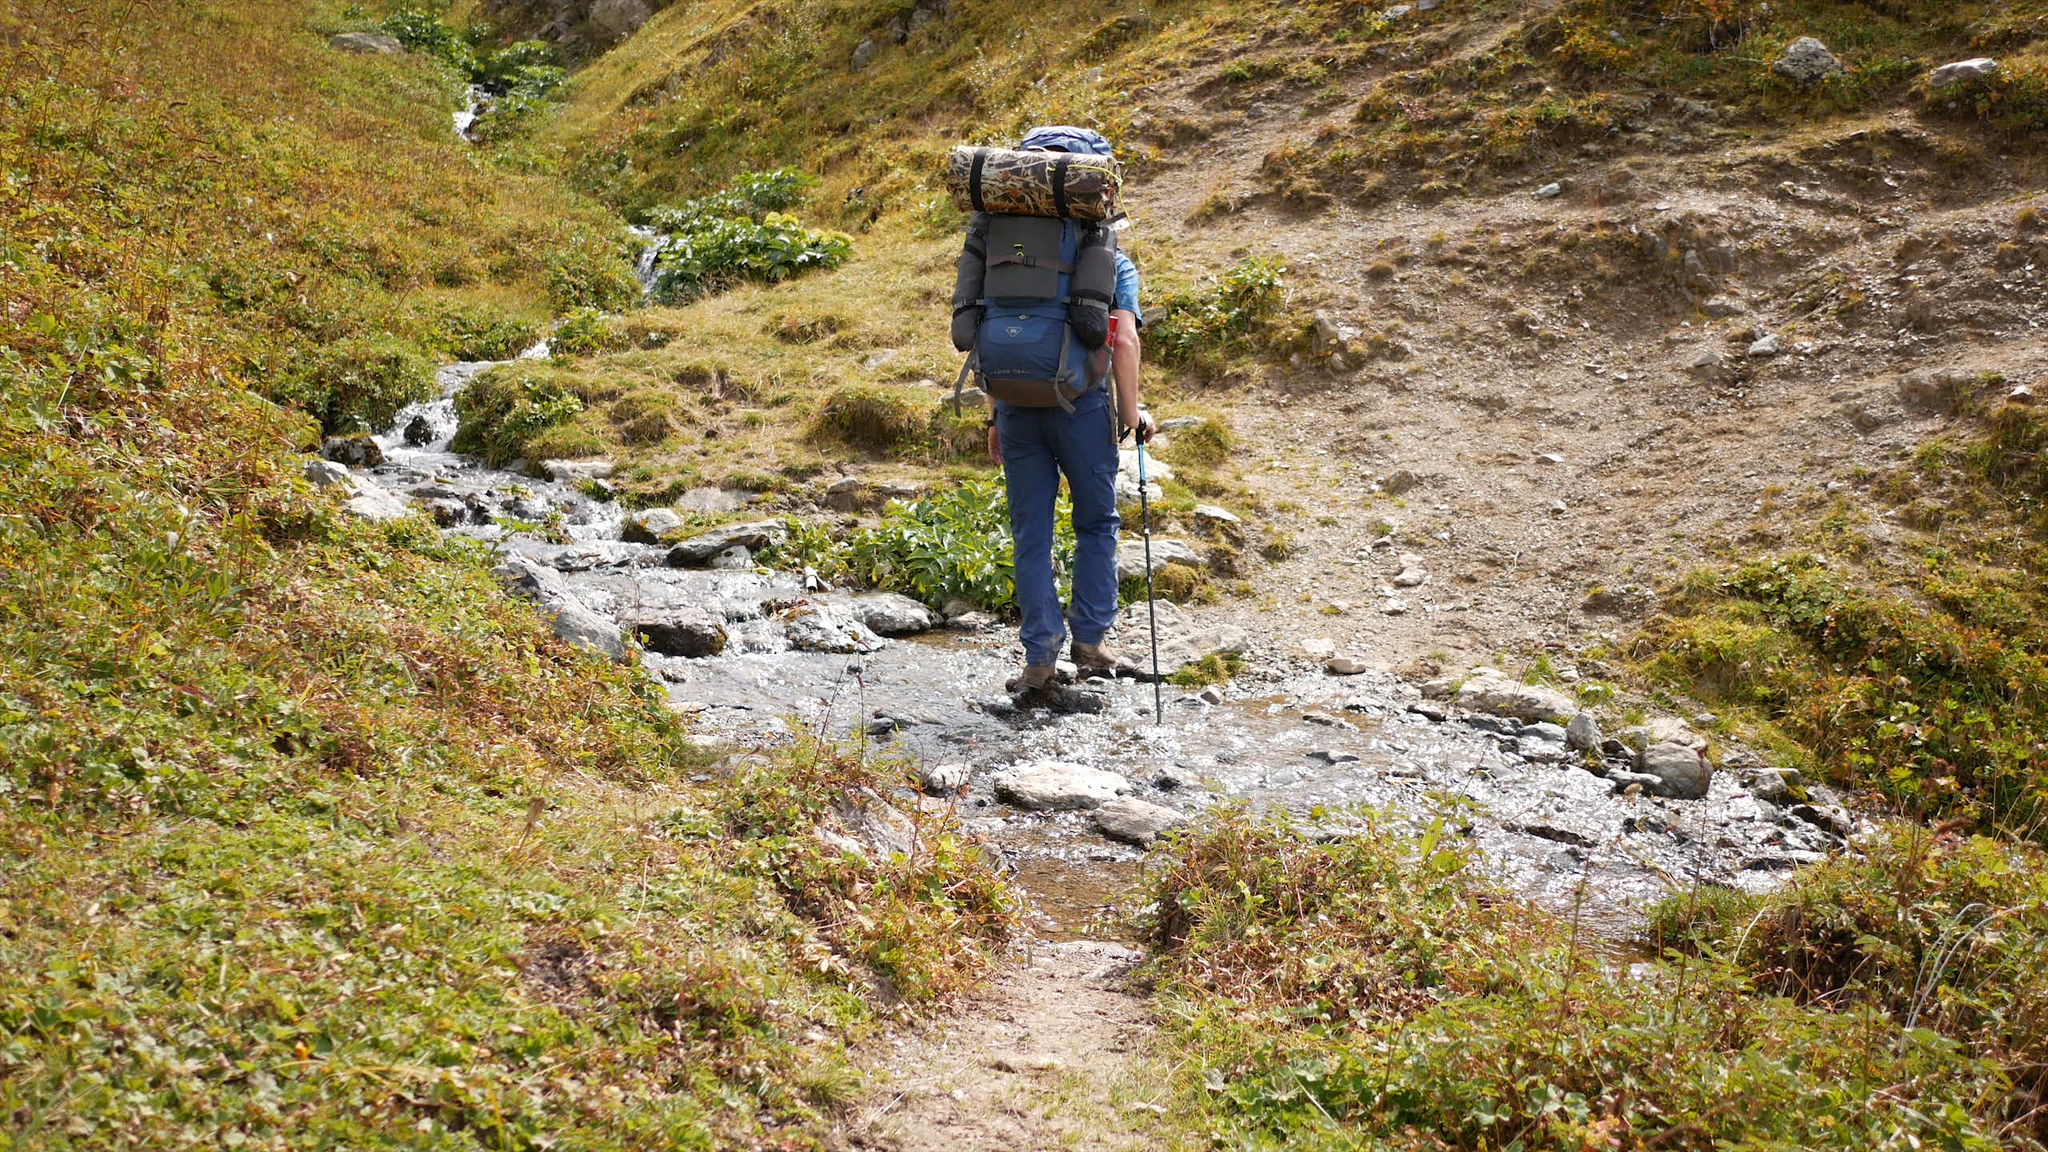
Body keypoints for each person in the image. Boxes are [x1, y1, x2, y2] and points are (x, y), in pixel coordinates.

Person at [980, 125, 1153, 701]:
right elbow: (1123, 340)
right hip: (1082, 406)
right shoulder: (1106, 256)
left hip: (1013, 404)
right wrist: (1132, 414)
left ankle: (1038, 660)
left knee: (1031, 531)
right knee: (1096, 524)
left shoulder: (1002, 251)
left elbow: (996, 332)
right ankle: (1091, 643)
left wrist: (995, 414)